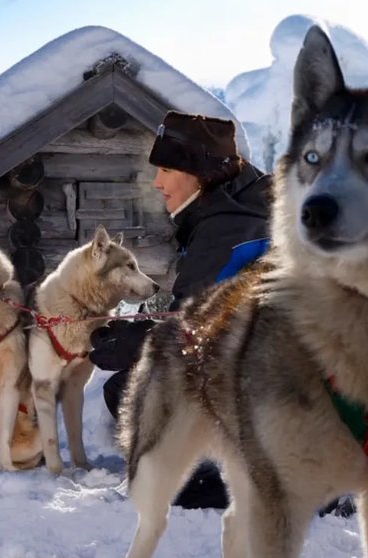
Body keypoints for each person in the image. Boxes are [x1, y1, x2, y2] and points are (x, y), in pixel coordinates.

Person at [90, 111, 271, 509]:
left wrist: (135, 342)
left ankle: (213, 483)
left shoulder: (229, 230)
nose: (157, 182)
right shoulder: (241, 205)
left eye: (168, 169)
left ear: (201, 173)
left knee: (133, 391)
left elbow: (194, 333)